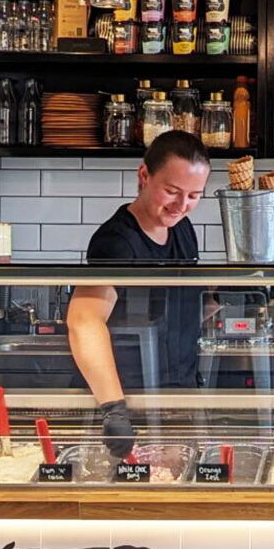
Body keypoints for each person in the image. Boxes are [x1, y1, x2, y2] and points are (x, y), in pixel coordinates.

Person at [67, 130, 211, 455]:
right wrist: (115, 410)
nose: (181, 205)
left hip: (173, 398)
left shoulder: (182, 230)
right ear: (144, 175)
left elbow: (177, 305)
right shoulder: (117, 242)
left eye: (194, 195)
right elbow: (84, 320)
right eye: (172, 191)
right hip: (125, 405)